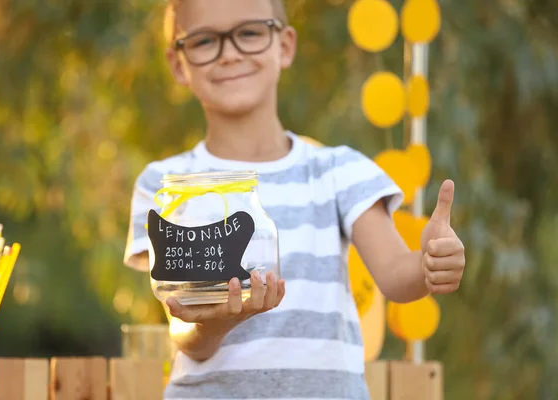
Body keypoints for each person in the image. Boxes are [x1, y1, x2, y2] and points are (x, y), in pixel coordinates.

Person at [124, 0, 466, 398]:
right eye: (204, 40)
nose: (230, 53)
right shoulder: (164, 185)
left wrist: (429, 263)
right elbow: (183, 329)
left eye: (249, 32)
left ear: (284, 45)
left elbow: (396, 275)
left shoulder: (339, 172)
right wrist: (212, 323)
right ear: (178, 63)